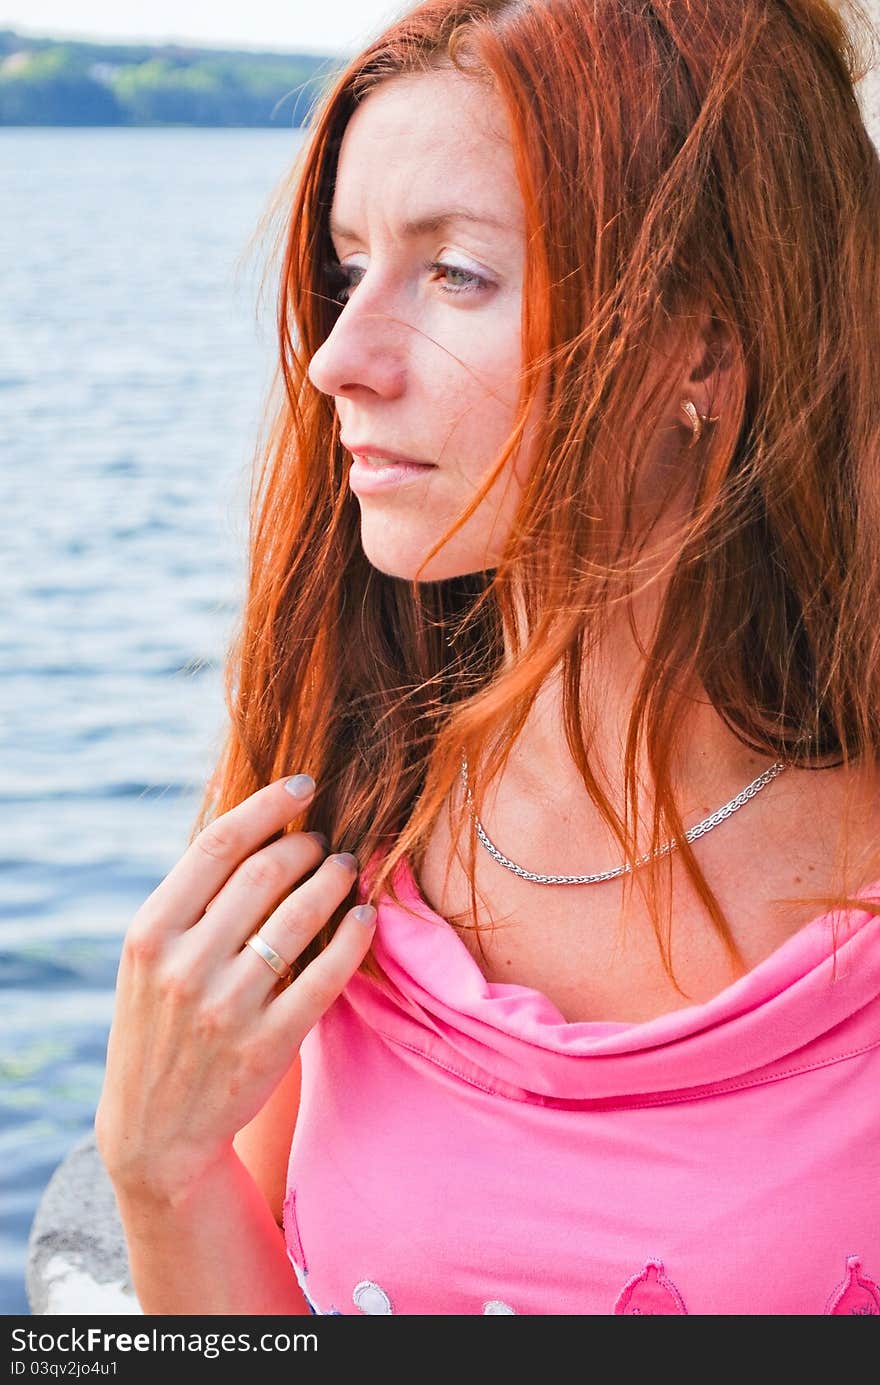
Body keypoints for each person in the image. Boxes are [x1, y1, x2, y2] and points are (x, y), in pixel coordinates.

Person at [94, 0, 880, 1316]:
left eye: (453, 273)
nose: (339, 358)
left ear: (706, 343)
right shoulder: (347, 802)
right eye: (349, 269)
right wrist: (159, 1176)